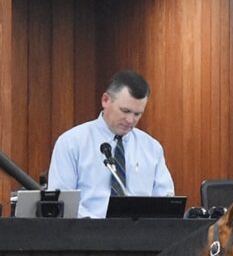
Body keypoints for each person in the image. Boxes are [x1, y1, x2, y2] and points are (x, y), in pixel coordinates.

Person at [47, 70, 175, 218]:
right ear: (105, 100)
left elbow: (165, 201)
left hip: (139, 235)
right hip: (85, 234)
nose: (130, 120)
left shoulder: (151, 148)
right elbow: (62, 202)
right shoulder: (71, 143)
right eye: (125, 111)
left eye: (137, 114)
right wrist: (101, 229)